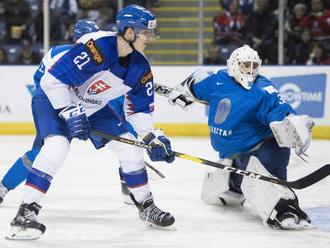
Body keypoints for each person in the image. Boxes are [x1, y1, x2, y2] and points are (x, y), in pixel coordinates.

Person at [6, 5, 175, 240]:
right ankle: (25, 213)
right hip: (53, 99)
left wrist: (151, 137)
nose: (150, 38)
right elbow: (52, 82)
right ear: (128, 32)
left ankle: (146, 207)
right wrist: (70, 111)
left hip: (94, 107)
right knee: (56, 148)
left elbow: (139, 110)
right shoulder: (96, 46)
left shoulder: (141, 67)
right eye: (145, 33)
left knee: (130, 145)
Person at [167, 44, 314, 230]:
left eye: (254, 66)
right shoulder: (219, 80)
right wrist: (185, 90)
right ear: (234, 65)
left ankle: (284, 208)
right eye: (246, 65)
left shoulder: (263, 89)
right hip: (236, 153)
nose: (251, 70)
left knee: (260, 180)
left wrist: (294, 125)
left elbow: (280, 111)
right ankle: (233, 182)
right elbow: (195, 86)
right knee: (217, 195)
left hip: (265, 148)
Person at [0, 19, 100, 204]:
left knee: (40, 152)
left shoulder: (67, 53)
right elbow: (43, 84)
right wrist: (61, 106)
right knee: (41, 153)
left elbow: (38, 78)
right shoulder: (60, 53)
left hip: (73, 110)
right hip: (54, 109)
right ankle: (7, 189)